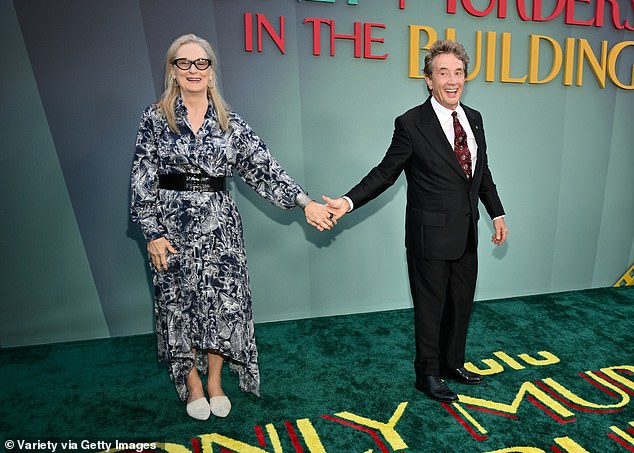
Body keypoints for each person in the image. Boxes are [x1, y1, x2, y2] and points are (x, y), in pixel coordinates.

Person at [130, 33, 335, 420]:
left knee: (222, 305)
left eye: (201, 62)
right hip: (171, 229)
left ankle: (214, 383)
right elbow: (142, 178)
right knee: (179, 307)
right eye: (185, 63)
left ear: (211, 69)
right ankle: (191, 385)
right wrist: (152, 233)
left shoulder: (229, 121)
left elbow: (264, 169)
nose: (194, 70)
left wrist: (305, 203)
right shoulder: (155, 118)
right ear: (173, 70)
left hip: (221, 230)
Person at [323, 40, 508, 403]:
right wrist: (347, 201)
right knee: (430, 307)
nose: (452, 80)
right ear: (429, 80)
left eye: (458, 73)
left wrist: (496, 212)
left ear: (464, 77)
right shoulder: (411, 123)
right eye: (443, 73)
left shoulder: (474, 119)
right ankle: (426, 374)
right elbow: (385, 173)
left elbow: (480, 173)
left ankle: (452, 363)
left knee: (461, 303)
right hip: (429, 236)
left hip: (466, 233)